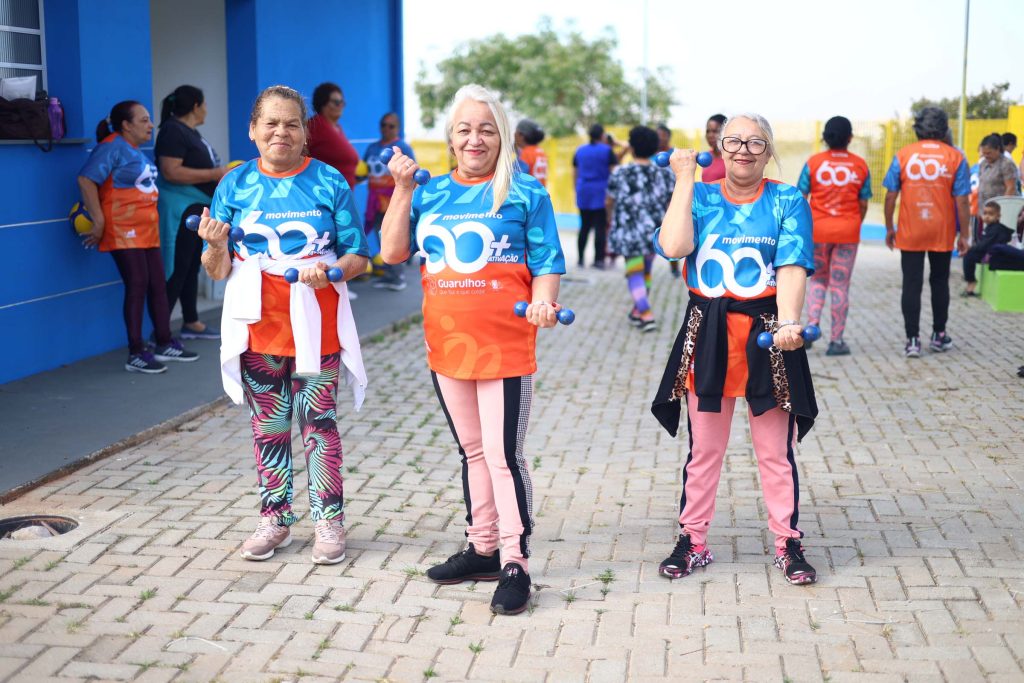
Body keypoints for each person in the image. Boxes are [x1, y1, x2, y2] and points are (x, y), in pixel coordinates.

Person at [380, 84, 566, 615]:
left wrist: (544, 301)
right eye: (464, 129)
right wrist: (401, 189)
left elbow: (547, 262)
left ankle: (515, 562)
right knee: (473, 452)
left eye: (486, 129)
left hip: (505, 345)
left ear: (502, 136)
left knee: (503, 455)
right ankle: (482, 548)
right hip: (447, 344)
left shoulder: (525, 192)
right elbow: (391, 252)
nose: (474, 139)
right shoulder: (430, 191)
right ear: (451, 138)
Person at [197, 85, 369, 566]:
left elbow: (358, 255)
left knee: (319, 426)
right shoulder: (233, 184)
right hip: (259, 327)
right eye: (270, 123)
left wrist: (330, 272)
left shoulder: (328, 180)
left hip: (317, 326)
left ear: (305, 132)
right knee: (269, 428)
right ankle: (275, 520)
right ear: (252, 130)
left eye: (292, 123)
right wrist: (215, 246)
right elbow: (217, 270)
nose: (281, 132)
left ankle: (329, 521)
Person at [651, 113, 819, 586]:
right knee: (704, 449)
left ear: (769, 151)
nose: (744, 150)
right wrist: (685, 179)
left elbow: (792, 264)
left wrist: (789, 321)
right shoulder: (700, 195)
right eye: (734, 141)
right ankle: (693, 540)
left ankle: (787, 542)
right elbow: (673, 246)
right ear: (719, 148)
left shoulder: (786, 198)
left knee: (775, 451)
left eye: (755, 142)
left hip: (767, 333)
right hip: (708, 332)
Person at [77, 101, 198, 374]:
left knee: (158, 284)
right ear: (126, 125)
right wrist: (98, 220)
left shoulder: (133, 150)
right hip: (123, 229)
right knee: (138, 284)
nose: (151, 125)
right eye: (143, 120)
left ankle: (164, 342)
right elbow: (86, 180)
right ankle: (136, 352)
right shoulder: (111, 146)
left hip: (147, 230)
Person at [883, 107, 970, 358]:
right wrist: (965, 235)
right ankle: (939, 335)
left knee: (911, 284)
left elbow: (890, 195)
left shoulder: (903, 155)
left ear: (917, 129)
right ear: (944, 129)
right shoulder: (955, 157)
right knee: (940, 281)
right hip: (941, 230)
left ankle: (912, 340)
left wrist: (890, 227)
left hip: (911, 230)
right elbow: (962, 201)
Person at [155, 84, 228, 340]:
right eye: (205, 104)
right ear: (196, 105)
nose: (207, 109)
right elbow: (171, 171)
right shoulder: (172, 130)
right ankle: (161, 335)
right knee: (177, 267)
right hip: (180, 211)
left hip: (196, 209)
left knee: (190, 267)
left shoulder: (190, 132)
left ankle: (191, 321)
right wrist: (216, 173)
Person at [796, 116, 871, 356]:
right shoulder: (860, 165)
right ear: (850, 138)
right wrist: (854, 222)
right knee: (840, 285)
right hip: (847, 232)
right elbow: (863, 202)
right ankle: (836, 341)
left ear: (825, 138)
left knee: (818, 280)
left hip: (818, 231)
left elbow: (801, 197)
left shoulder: (813, 163)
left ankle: (811, 329)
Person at [606, 126, 675, 332]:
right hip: (654, 231)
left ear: (632, 147)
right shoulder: (665, 174)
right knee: (645, 272)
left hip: (628, 231)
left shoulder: (620, 172)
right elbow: (671, 203)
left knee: (634, 273)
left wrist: (610, 220)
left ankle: (646, 314)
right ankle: (637, 311)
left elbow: (609, 201)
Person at [361, 112, 415, 291]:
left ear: (397, 128)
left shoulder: (403, 148)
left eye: (391, 126)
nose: (386, 128)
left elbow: (412, 173)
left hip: (393, 200)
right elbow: (363, 171)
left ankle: (398, 277)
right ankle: (389, 275)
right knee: (381, 237)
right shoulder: (372, 148)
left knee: (393, 237)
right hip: (374, 201)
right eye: (383, 125)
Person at [573, 123, 616, 268]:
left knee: (584, 226)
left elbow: (575, 172)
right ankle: (598, 260)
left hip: (584, 191)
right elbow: (613, 172)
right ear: (602, 135)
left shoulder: (580, 150)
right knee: (600, 227)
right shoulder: (607, 150)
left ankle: (580, 259)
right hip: (601, 192)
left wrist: (576, 189)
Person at [307, 82, 359, 189]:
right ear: (323, 103)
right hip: (323, 193)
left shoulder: (337, 128)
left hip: (342, 195)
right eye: (336, 102)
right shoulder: (314, 126)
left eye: (342, 102)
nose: (340, 106)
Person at [961, 200, 1013, 297]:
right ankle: (970, 281)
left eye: (991, 214)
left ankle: (971, 281)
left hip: (995, 256)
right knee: (969, 255)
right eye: (985, 213)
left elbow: (984, 245)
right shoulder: (990, 227)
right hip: (989, 252)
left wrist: (971, 248)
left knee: (969, 256)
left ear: (998, 216)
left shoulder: (996, 229)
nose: (987, 216)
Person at [515, 119, 548, 186]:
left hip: (528, 191)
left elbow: (518, 178)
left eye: (516, 132)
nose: (514, 134)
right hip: (540, 191)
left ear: (521, 136)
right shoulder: (540, 152)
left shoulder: (526, 154)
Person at [702, 114, 727, 182]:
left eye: (715, 131)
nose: (710, 135)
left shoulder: (731, 157)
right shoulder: (706, 156)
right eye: (708, 131)